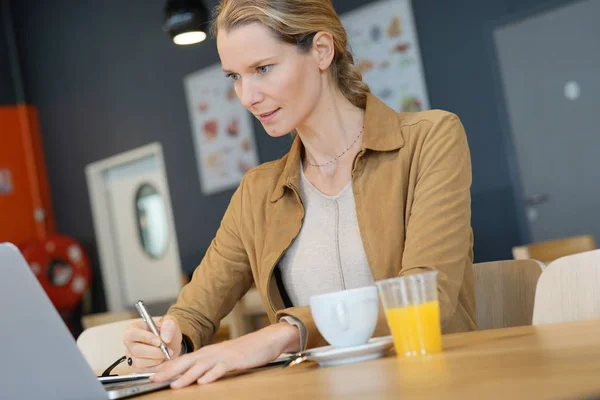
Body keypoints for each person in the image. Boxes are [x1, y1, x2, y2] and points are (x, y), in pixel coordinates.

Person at [124, 0, 477, 389]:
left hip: (433, 385)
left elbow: (427, 294)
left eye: (262, 69)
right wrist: (171, 339)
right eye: (235, 77)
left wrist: (282, 334)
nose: (247, 96)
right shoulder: (258, 192)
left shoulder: (430, 139)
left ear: (322, 51)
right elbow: (193, 313)